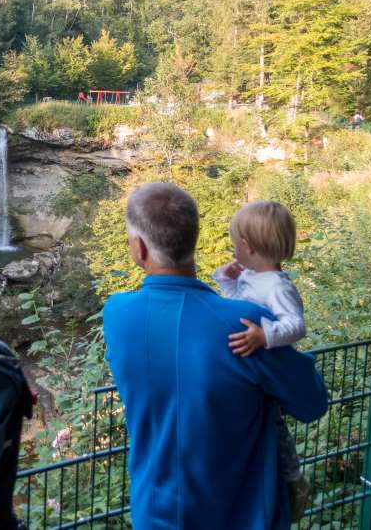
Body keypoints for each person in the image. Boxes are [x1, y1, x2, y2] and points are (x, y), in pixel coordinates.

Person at [102, 183, 327, 530]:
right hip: (243, 514)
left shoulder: (117, 315)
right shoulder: (243, 323)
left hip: (154, 512)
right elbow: (312, 402)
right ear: (193, 239)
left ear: (139, 248)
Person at [213, 200, 310, 518]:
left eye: (235, 246)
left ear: (249, 247)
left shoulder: (277, 286)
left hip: (266, 377)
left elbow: (296, 325)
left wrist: (263, 336)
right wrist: (226, 281)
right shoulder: (252, 277)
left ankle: (292, 481)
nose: (233, 251)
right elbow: (237, 309)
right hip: (248, 375)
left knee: (275, 430)